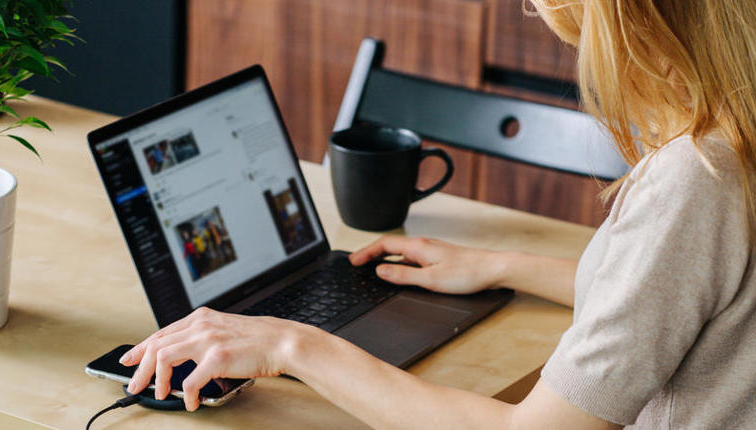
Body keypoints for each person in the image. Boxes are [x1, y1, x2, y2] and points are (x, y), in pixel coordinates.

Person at [120, 1, 756, 428]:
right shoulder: (737, 135)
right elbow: (668, 289)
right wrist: (496, 265)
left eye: (579, 29)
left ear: (636, 24)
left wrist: (291, 343)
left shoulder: (696, 176)